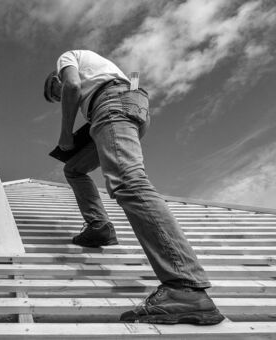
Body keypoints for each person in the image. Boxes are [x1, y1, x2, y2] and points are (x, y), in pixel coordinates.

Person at [43, 50, 224, 325]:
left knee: (128, 180)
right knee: (73, 168)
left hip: (112, 104)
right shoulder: (105, 69)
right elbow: (134, 81)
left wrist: (66, 134)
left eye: (55, 94)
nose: (60, 99)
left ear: (55, 79)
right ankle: (99, 227)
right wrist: (131, 99)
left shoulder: (67, 58)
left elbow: (73, 86)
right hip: (128, 103)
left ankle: (185, 285)